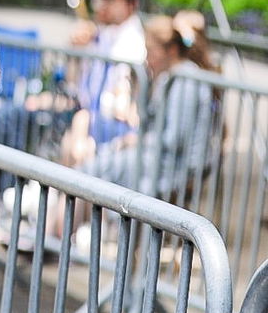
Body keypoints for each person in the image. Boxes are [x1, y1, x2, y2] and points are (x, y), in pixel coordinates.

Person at [80, 12, 217, 200]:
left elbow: (174, 139)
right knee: (98, 166)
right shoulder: (167, 77)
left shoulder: (185, 81)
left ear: (171, 50)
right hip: (157, 158)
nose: (147, 58)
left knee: (101, 171)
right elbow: (149, 121)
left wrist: (138, 141)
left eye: (151, 51)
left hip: (174, 166)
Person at [60, 0, 146, 167]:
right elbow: (73, 83)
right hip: (94, 117)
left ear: (131, 4)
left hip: (119, 125)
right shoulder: (102, 33)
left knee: (81, 149)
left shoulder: (133, 41)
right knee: (71, 144)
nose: (103, 4)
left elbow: (121, 99)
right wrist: (75, 51)